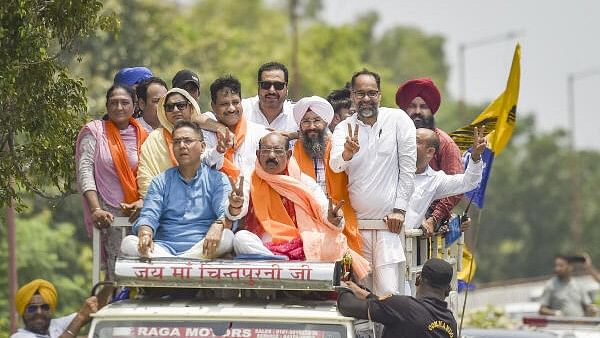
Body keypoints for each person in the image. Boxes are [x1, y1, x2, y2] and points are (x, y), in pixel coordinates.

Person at [232, 133, 369, 278]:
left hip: (300, 240)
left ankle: (281, 265)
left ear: (288, 154)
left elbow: (323, 209)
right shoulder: (248, 179)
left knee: (334, 242)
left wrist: (333, 219)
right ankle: (281, 264)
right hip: (263, 242)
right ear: (258, 154)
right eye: (266, 151)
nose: (271, 155)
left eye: (278, 151)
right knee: (241, 239)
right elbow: (238, 210)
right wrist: (235, 206)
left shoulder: (303, 180)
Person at [330, 69, 416, 296]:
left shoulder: (398, 120)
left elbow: (408, 169)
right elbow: (336, 165)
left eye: (371, 93)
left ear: (380, 95)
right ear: (352, 95)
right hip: (353, 228)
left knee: (389, 294)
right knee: (357, 293)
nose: (366, 99)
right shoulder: (343, 128)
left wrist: (399, 209)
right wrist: (347, 153)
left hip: (388, 225)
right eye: (360, 94)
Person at [121, 120, 242, 259]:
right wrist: (145, 234)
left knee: (227, 237)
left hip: (203, 246)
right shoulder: (161, 181)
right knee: (128, 243)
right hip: (164, 247)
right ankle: (182, 261)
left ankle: (171, 263)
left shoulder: (218, 179)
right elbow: (149, 214)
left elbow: (224, 213)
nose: (182, 146)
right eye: (177, 142)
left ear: (203, 147)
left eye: (187, 141)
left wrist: (218, 225)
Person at [76, 84, 148, 279]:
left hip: (140, 215)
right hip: (109, 217)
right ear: (107, 106)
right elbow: (85, 171)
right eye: (113, 103)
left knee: (144, 273)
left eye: (124, 103)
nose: (119, 107)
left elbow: (153, 175)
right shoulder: (95, 132)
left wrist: (143, 202)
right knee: (117, 275)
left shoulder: (145, 136)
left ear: (134, 106)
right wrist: (95, 209)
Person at [291, 96, 362, 254]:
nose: (312, 126)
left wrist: (347, 153)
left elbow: (343, 162)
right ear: (300, 126)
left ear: (325, 122)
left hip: (339, 215)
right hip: (306, 220)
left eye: (317, 120)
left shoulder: (338, 145)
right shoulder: (292, 152)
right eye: (306, 121)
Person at [396, 78, 465, 234]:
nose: (418, 111)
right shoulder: (392, 138)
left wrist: (433, 219)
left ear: (431, 111)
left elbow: (456, 187)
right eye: (412, 106)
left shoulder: (444, 143)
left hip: (425, 228)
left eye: (424, 107)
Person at [337, 258, 457, 338]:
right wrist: (365, 294)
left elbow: (347, 306)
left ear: (418, 279)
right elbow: (392, 308)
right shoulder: (450, 322)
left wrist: (343, 287)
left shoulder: (405, 307)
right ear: (448, 288)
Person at [404, 127, 485, 231]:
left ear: (430, 151)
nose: (409, 143)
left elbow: (469, 182)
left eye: (416, 141)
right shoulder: (391, 168)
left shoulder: (435, 180)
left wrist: (476, 157)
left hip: (407, 244)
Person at [136, 87, 201, 197]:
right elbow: (145, 176)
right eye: (169, 107)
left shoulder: (205, 134)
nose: (175, 110)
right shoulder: (155, 138)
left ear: (190, 107)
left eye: (181, 105)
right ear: (163, 112)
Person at [203, 75, 267, 181]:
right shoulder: (205, 134)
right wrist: (218, 151)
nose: (231, 109)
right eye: (224, 104)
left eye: (236, 102)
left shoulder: (259, 133)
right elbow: (202, 163)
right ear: (213, 106)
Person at [12, 279, 111, 338]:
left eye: (45, 307)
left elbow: (93, 309)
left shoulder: (55, 326)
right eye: (32, 309)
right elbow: (81, 317)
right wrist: (80, 317)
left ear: (51, 309)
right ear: (22, 311)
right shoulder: (19, 337)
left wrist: (109, 283)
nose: (39, 312)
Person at [242, 61, 297, 133]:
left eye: (278, 85)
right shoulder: (242, 109)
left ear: (286, 89)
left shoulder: (297, 114)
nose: (272, 90)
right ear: (258, 87)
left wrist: (294, 136)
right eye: (266, 85)